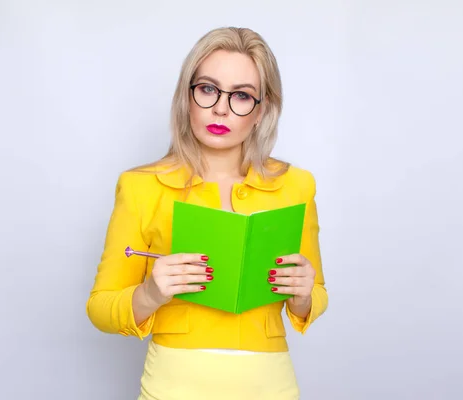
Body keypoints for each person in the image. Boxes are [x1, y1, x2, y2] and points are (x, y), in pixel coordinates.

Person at [86, 26, 328, 400]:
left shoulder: (296, 186)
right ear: (187, 96)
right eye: (208, 89)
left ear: (263, 110)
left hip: (269, 384)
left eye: (242, 96)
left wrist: (303, 296)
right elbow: (100, 307)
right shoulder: (141, 187)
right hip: (173, 384)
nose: (220, 108)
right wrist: (150, 293)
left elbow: (317, 292)